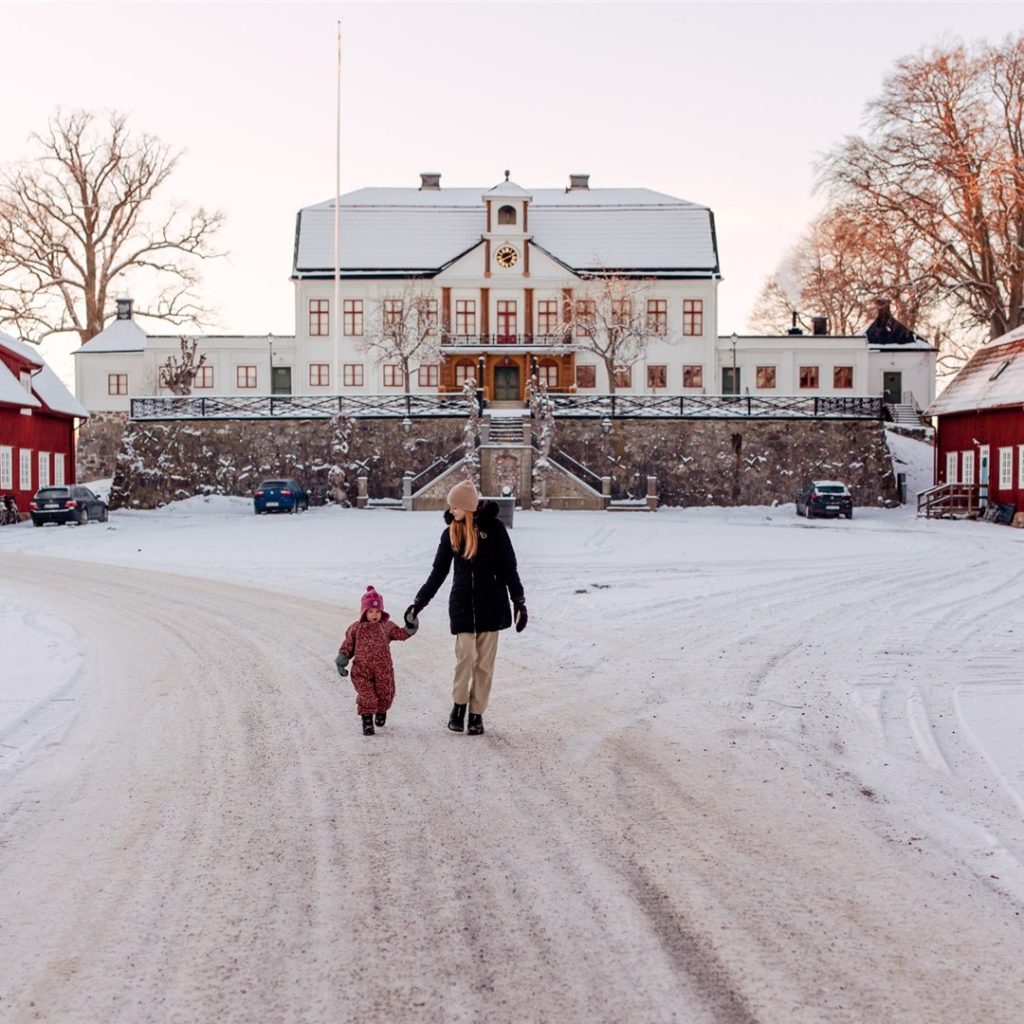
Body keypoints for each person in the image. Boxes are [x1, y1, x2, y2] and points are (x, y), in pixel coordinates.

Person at [406, 479, 526, 736]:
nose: (451, 511)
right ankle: (458, 707)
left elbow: (509, 568)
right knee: (466, 658)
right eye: (450, 507)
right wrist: (418, 603)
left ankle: (476, 714)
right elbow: (438, 573)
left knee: (484, 665)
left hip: (491, 606)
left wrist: (519, 601)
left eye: (455, 507)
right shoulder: (450, 532)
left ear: (468, 507)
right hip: (462, 604)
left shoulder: (495, 530)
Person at [336, 586, 417, 736]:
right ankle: (367, 721)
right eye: (371, 611)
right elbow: (348, 644)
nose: (374, 614)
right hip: (362, 671)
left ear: (382, 612)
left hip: (383, 669)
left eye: (377, 611)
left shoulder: (386, 626)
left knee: (385, 695)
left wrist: (410, 626)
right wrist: (342, 659)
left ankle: (381, 711)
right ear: (364, 612)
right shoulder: (356, 628)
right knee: (367, 696)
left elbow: (401, 634)